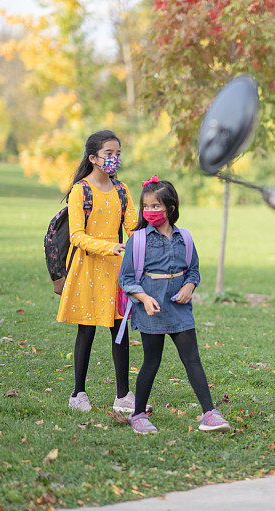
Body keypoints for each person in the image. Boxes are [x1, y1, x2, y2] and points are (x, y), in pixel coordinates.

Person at [119, 176, 229, 434]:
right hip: (151, 307)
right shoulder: (139, 239)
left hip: (179, 308)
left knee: (192, 359)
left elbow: (193, 271)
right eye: (146, 206)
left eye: (156, 206)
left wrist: (189, 287)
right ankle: (138, 415)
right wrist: (144, 299)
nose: (150, 211)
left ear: (170, 208)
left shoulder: (185, 238)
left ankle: (209, 413)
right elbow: (126, 279)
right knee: (151, 361)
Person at [56, 130, 142, 414]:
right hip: (88, 268)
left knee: (120, 329)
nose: (114, 159)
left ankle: (123, 395)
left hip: (117, 270)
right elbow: (77, 236)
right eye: (108, 154)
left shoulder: (122, 190)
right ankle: (78, 393)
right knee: (87, 329)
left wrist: (145, 237)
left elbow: (132, 226)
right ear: (93, 158)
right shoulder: (81, 190)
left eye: (117, 154)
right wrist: (110, 247)